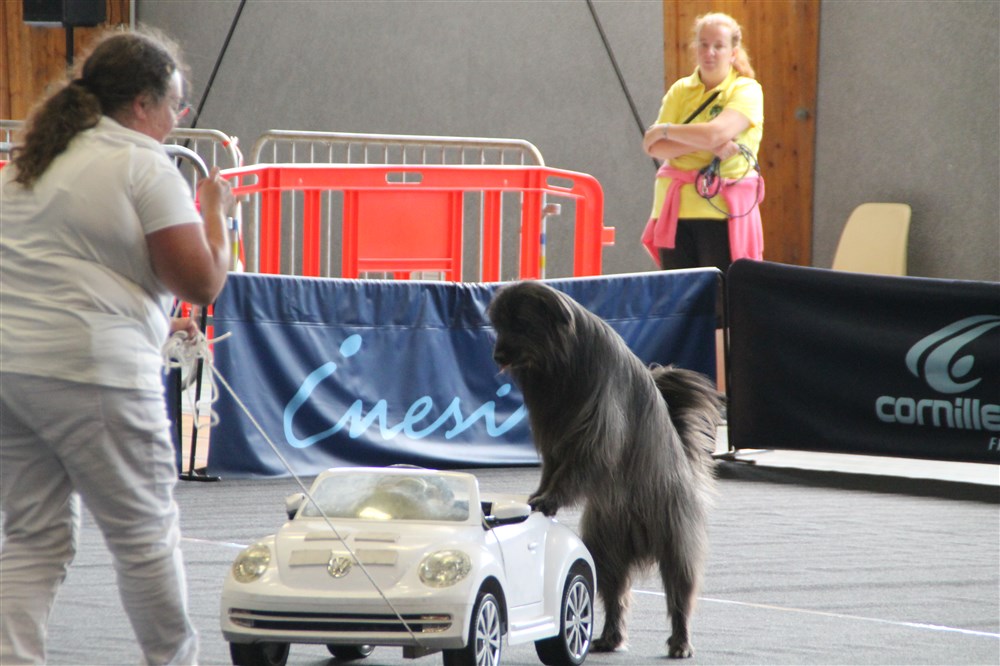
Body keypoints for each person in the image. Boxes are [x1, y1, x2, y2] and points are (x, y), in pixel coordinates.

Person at [0, 28, 233, 665]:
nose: (178, 118)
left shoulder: (29, 166)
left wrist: (154, 323)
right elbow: (201, 281)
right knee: (145, 536)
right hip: (95, 374)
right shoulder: (144, 165)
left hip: (12, 372)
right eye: (174, 105)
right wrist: (216, 211)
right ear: (141, 104)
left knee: (33, 538)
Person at [641, 11, 764, 274]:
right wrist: (707, 143)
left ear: (733, 52)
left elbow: (715, 133)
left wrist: (666, 131)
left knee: (719, 289)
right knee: (679, 291)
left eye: (718, 46)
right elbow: (654, 147)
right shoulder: (680, 90)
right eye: (704, 44)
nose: (710, 53)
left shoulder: (746, 90)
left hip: (720, 209)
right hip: (675, 210)